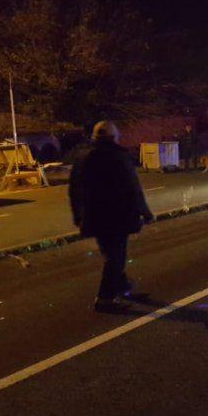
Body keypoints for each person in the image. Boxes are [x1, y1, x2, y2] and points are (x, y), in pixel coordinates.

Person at [69, 120, 154, 312]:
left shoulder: (83, 157)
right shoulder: (118, 157)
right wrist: (146, 213)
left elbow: (74, 190)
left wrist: (78, 215)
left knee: (111, 254)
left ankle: (122, 287)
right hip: (117, 216)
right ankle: (105, 298)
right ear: (114, 137)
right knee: (115, 258)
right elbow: (133, 189)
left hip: (94, 217)